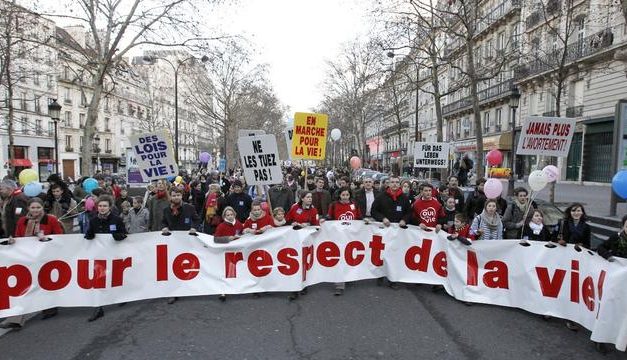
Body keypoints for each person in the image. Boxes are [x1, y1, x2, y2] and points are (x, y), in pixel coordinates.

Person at [0, 198, 65, 329]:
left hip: (46, 258)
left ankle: (49, 307)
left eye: (38, 208)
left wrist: (45, 239)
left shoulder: (50, 220)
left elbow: (60, 238)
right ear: (28, 208)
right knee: (24, 286)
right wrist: (13, 241)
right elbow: (19, 238)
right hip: (27, 259)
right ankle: (16, 319)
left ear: (42, 208)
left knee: (45, 283)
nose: (35, 210)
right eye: (33, 208)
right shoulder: (22, 221)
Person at [84, 194, 127, 322]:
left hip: (114, 254)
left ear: (110, 207)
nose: (102, 208)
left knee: (116, 277)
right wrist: (89, 235)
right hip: (99, 255)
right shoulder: (93, 220)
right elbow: (89, 233)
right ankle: (98, 308)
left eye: (105, 206)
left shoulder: (116, 219)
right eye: (100, 206)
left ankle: (122, 296)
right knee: (99, 280)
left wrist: (118, 236)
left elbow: (124, 234)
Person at [161, 187, 200, 305]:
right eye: (173, 195)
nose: (176, 197)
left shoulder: (190, 208)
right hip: (173, 242)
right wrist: (164, 227)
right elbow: (163, 222)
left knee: (187, 265)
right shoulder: (167, 210)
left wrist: (194, 227)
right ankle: (174, 292)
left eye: (178, 195)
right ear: (171, 197)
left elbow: (197, 219)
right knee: (174, 266)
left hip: (188, 242)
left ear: (181, 196)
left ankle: (189, 287)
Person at [326, 187, 362, 295]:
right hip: (338, 237)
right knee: (340, 259)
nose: (345, 197)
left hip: (351, 237)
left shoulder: (354, 205)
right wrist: (324, 219)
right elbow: (329, 217)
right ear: (339, 195)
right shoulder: (334, 205)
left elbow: (359, 217)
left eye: (347, 195)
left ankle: (348, 276)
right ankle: (339, 285)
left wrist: (364, 220)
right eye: (343, 195)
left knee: (349, 257)